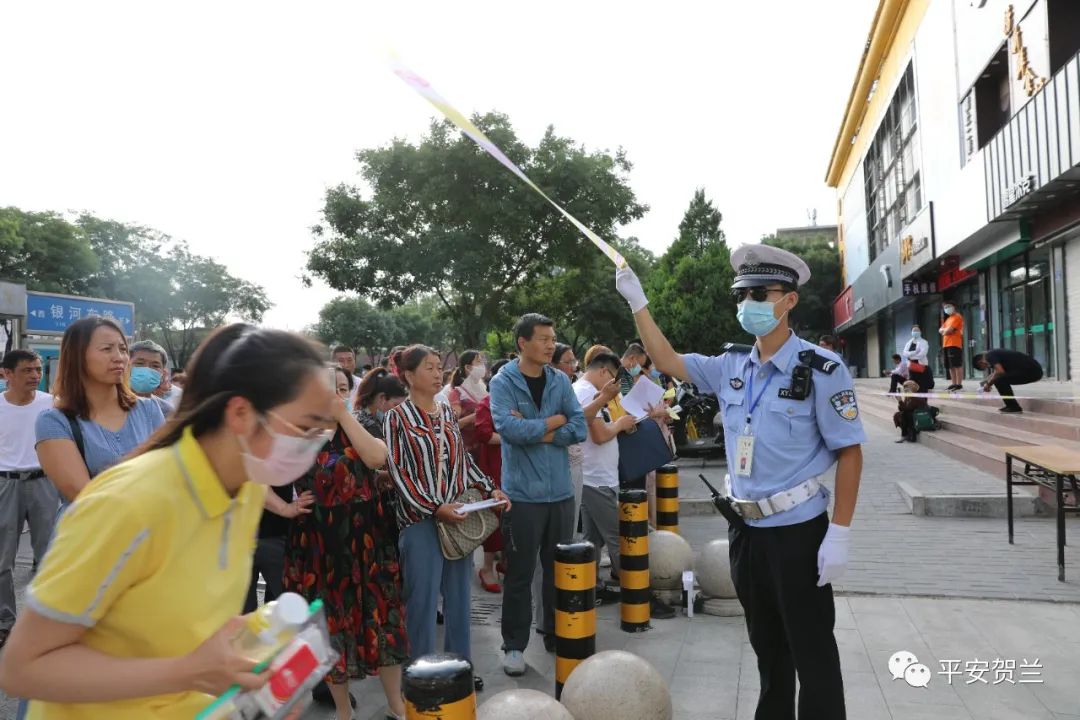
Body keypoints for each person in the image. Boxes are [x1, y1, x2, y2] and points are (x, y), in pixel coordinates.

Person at [0, 324, 336, 718]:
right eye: (306, 425)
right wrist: (188, 672)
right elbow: (22, 668)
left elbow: (190, 624)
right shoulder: (129, 505)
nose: (317, 440)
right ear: (242, 413)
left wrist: (251, 662)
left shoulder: (244, 490)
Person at [616, 243, 865, 719]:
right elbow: (666, 359)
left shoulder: (822, 369)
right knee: (768, 652)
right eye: (742, 294)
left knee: (814, 656)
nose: (747, 303)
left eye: (759, 292)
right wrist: (638, 302)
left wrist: (841, 533)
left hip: (798, 533)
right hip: (746, 532)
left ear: (789, 300)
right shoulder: (731, 366)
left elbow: (850, 453)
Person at [384, 345, 510, 693]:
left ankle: (459, 671)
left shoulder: (444, 413)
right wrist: (433, 507)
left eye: (440, 367)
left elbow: (463, 462)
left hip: (457, 517)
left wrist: (489, 489)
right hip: (422, 521)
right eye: (429, 367)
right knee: (421, 603)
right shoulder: (397, 418)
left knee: (459, 600)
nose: (438, 373)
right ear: (408, 376)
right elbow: (399, 472)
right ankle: (422, 677)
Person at [284, 366, 407, 720]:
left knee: (384, 619)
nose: (337, 395)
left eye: (342, 388)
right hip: (320, 545)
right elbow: (255, 467)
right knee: (331, 628)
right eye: (328, 390)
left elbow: (376, 458)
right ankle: (343, 711)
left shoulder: (361, 425)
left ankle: (396, 706)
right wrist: (284, 506)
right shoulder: (296, 433)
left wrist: (341, 416)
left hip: (369, 539)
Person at [489, 314, 586, 675]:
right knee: (519, 574)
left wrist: (540, 431)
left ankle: (556, 634)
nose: (550, 345)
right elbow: (508, 428)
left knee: (558, 570)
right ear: (522, 343)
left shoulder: (560, 380)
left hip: (561, 492)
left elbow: (578, 427)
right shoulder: (503, 382)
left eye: (552, 338)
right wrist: (552, 422)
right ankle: (514, 646)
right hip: (523, 496)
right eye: (543, 339)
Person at [34, 317, 166, 507]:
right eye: (107, 349)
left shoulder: (149, 410)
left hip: (150, 531)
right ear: (78, 356)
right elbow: (85, 497)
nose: (119, 357)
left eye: (122, 349)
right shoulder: (55, 422)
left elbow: (167, 474)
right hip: (92, 533)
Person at [0, 350, 58, 649]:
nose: (36, 375)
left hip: (43, 483)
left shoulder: (50, 404)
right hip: (5, 484)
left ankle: (46, 625)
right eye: (27, 370)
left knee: (49, 557)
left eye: (37, 369)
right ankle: (4, 622)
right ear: (6, 374)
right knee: (2, 560)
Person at [572, 352, 634, 595]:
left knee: (592, 539)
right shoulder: (587, 392)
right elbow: (599, 436)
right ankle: (636, 591)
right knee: (619, 537)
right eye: (614, 378)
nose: (616, 385)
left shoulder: (587, 390)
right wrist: (619, 425)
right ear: (603, 372)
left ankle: (592, 587)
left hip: (595, 477)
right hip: (596, 479)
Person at [474, 359, 510, 593]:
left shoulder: (516, 402)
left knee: (512, 517)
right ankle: (487, 567)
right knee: (494, 517)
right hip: (493, 467)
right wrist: (516, 434)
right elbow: (484, 434)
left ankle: (505, 562)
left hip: (515, 466)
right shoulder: (486, 404)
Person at [973, 349, 1044, 413]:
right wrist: (986, 382)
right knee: (999, 379)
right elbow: (996, 372)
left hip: (1032, 371)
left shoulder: (989, 356)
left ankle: (1013, 406)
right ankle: (1012, 406)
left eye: (983, 367)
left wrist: (989, 384)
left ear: (980, 362)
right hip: (1033, 370)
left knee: (999, 380)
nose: (987, 367)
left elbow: (1000, 372)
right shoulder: (992, 354)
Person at [448, 350, 486, 459]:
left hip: (487, 447)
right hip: (469, 452)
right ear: (468, 367)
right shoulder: (457, 394)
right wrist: (475, 417)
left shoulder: (485, 390)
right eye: (478, 362)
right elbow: (452, 425)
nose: (482, 366)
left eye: (482, 362)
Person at [128, 339, 177, 416]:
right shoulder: (111, 406)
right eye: (140, 363)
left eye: (155, 366)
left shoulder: (167, 412)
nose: (147, 369)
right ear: (126, 367)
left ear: (162, 373)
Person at [939, 301, 965, 391]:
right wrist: (946, 330)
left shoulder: (957, 317)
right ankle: (953, 383)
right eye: (945, 307)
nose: (946, 308)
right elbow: (940, 330)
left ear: (954, 306)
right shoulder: (949, 319)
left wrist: (945, 331)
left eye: (948, 306)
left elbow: (947, 331)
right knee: (950, 365)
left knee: (957, 364)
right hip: (946, 344)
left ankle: (959, 384)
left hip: (954, 343)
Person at [901, 325, 933, 392]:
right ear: (911, 332)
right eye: (914, 330)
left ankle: (924, 401)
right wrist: (915, 352)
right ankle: (914, 401)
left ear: (920, 332)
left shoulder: (924, 342)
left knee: (922, 385)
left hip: (921, 366)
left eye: (917, 330)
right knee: (913, 385)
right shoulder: (908, 343)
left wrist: (911, 356)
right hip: (911, 367)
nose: (915, 332)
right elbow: (904, 353)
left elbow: (922, 354)